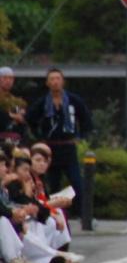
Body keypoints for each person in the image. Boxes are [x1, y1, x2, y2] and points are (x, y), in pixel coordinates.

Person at [26, 68, 92, 209]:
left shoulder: (73, 100)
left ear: (63, 81)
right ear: (47, 83)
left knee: (77, 182)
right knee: (53, 183)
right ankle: (54, 210)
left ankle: (82, 212)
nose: (55, 82)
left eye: (58, 79)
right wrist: (39, 138)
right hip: (50, 147)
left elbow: (86, 120)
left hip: (68, 146)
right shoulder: (43, 102)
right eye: (52, 79)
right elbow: (30, 119)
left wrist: (81, 137)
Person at [0, 67, 29, 147]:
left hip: (14, 140)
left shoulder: (17, 101)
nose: (8, 81)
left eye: (11, 78)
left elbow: (23, 119)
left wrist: (22, 116)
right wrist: (12, 115)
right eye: (5, 78)